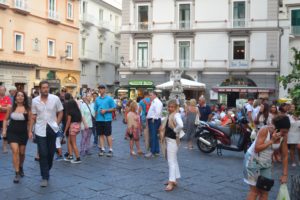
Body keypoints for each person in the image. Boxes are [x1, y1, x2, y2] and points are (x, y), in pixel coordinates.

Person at [244, 115, 290, 200]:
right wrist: (271, 141)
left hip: (266, 163)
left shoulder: (284, 136)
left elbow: (285, 156)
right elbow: (257, 149)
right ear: (277, 128)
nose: (285, 134)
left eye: (287, 131)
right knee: (255, 191)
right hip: (252, 160)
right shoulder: (265, 130)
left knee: (265, 191)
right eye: (284, 131)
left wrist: (285, 175)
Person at [29, 81, 63, 187]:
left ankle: (46, 170)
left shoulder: (55, 99)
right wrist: (30, 130)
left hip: (52, 128)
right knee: (43, 153)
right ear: (40, 89)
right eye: (43, 87)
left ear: (49, 88)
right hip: (40, 129)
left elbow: (61, 111)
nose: (45, 89)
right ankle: (44, 177)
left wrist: (56, 124)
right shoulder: (35, 101)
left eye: (47, 87)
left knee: (51, 153)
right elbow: (33, 116)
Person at [2, 91, 31, 183]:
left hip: (23, 133)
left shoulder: (28, 108)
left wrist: (30, 131)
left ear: (24, 98)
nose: (20, 97)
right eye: (18, 95)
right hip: (12, 132)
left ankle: (21, 166)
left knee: (22, 153)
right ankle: (17, 172)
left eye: (22, 96)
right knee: (15, 151)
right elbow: (5, 119)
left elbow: (30, 122)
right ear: (15, 98)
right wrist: (4, 130)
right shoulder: (11, 107)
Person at [160, 100, 183, 191]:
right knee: (174, 160)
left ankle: (171, 182)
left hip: (172, 140)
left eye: (172, 107)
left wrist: (175, 131)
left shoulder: (176, 115)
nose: (170, 108)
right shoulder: (170, 114)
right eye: (169, 106)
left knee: (171, 161)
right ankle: (175, 179)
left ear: (176, 107)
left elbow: (180, 125)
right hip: (170, 140)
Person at [94, 84, 116, 157]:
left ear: (104, 90)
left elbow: (114, 108)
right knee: (100, 134)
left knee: (108, 134)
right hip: (99, 120)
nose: (100, 90)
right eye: (99, 89)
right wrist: (95, 118)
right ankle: (102, 149)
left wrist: (106, 111)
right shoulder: (97, 99)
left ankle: (110, 149)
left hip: (107, 119)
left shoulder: (109, 99)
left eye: (101, 89)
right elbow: (96, 109)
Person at [145, 91, 163, 158]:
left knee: (153, 136)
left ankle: (152, 152)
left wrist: (153, 119)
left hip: (154, 120)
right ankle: (156, 151)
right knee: (154, 136)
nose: (150, 96)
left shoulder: (157, 102)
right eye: (149, 95)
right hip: (153, 120)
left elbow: (157, 112)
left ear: (155, 95)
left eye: (151, 95)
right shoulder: (154, 102)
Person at [0, 86, 12, 153]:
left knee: (5, 133)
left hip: (5, 118)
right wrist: (5, 108)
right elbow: (6, 108)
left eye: (3, 90)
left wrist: (2, 108)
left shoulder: (7, 98)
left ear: (5, 90)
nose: (1, 91)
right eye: (0, 90)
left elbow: (9, 108)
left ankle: (4, 147)